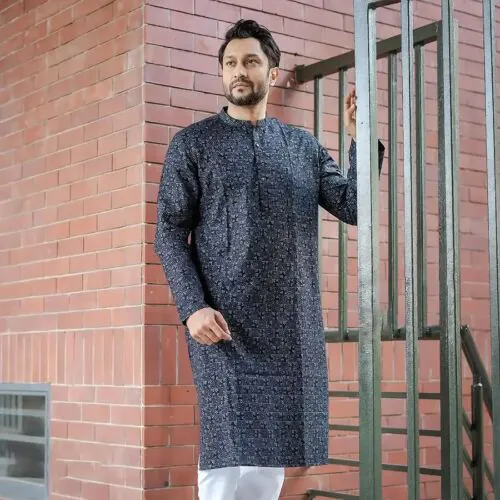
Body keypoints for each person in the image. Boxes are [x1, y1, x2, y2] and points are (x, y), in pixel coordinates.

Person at [155, 19, 385, 500]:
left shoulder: (302, 147)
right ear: (222, 72)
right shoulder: (193, 145)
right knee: (225, 457)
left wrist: (360, 140)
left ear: (273, 73)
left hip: (289, 326)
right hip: (223, 325)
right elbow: (170, 231)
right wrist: (192, 308)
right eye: (230, 63)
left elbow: (354, 207)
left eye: (250, 61)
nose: (239, 71)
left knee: (268, 462)